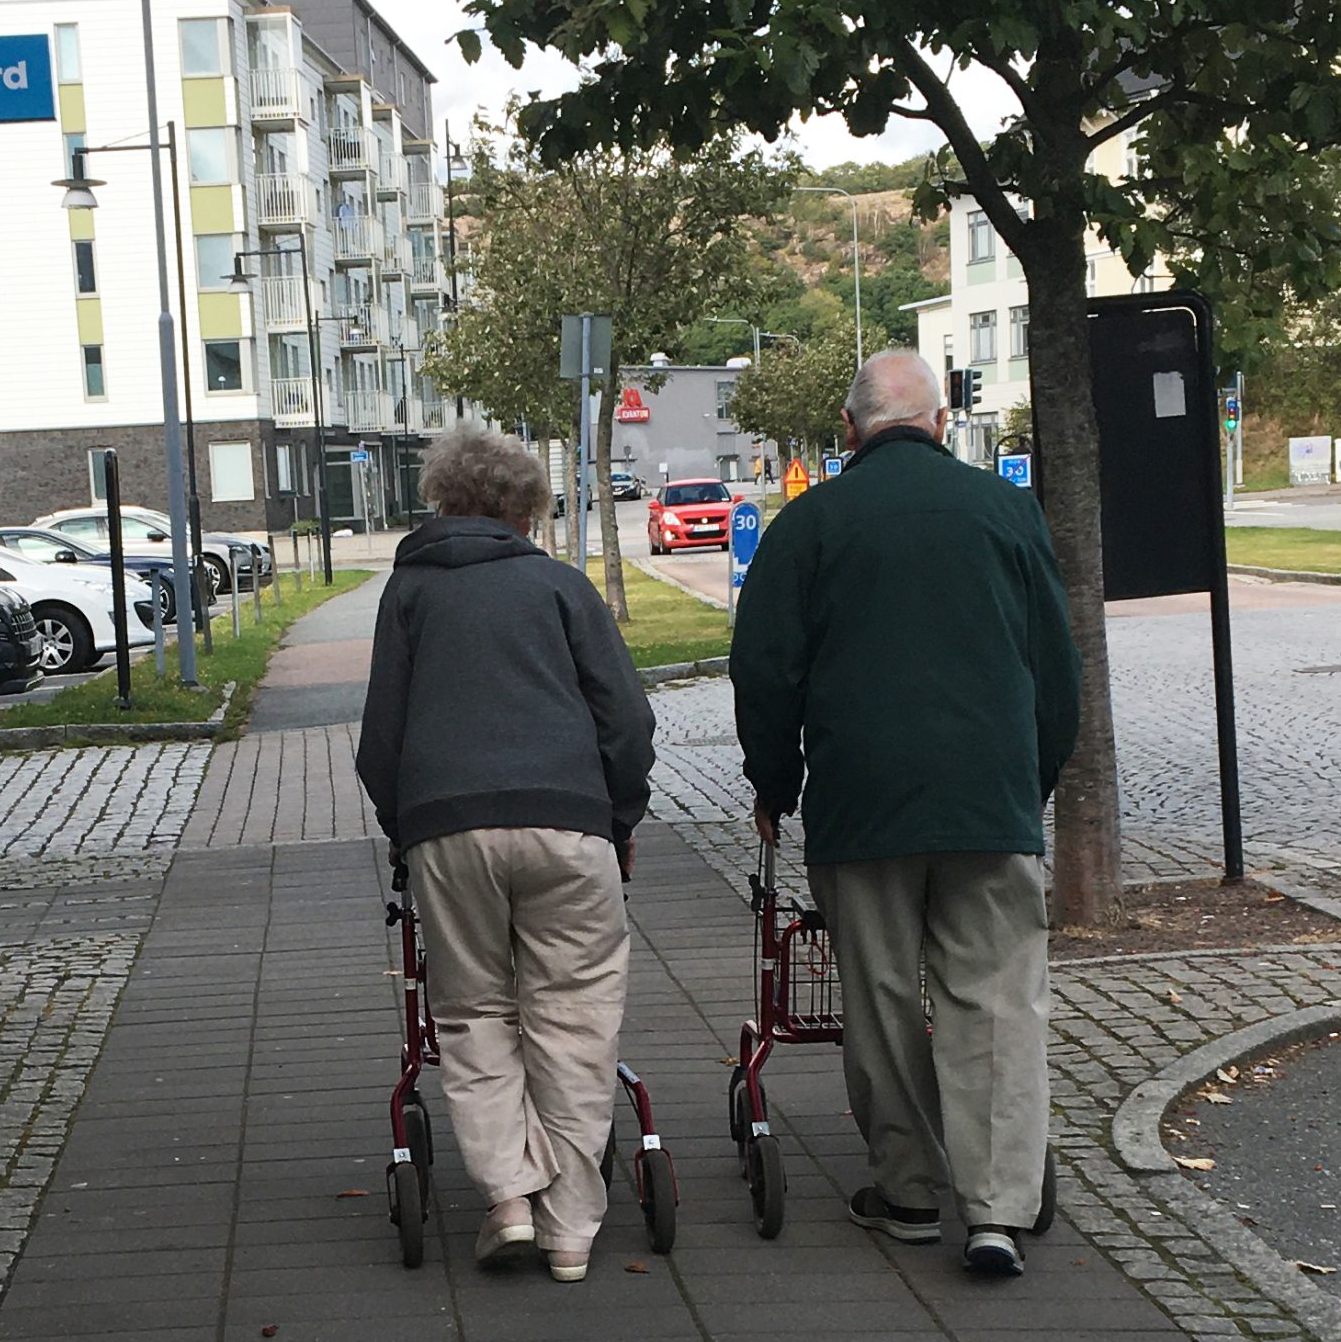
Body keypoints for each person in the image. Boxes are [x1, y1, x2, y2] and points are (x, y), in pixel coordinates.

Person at [730, 350, 1081, 1275]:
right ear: (939, 423)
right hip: (990, 798)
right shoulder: (1007, 511)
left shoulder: (810, 525)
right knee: (998, 998)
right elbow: (1056, 665)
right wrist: (1034, 778)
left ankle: (911, 1190)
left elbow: (764, 670)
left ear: (849, 431)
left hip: (863, 802)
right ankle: (998, 1209)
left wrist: (776, 784)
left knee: (881, 997)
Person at [357, 426, 656, 1282]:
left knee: (474, 1013)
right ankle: (572, 1232)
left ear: (443, 498)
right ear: (526, 507)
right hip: (569, 824)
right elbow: (626, 720)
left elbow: (382, 740)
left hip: (447, 829)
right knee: (574, 1018)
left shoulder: (409, 593)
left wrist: (407, 830)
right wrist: (619, 818)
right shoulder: (560, 586)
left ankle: (510, 1199)